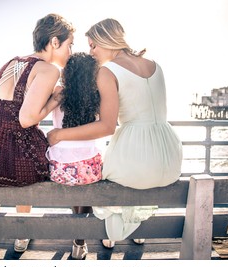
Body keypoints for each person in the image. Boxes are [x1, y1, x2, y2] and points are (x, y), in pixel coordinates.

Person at [47, 18, 182, 248]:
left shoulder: (107, 72)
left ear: (106, 41)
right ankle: (138, 226)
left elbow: (107, 127)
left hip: (137, 155)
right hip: (170, 156)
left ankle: (114, 231)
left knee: (100, 174)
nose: (90, 52)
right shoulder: (155, 65)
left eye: (93, 45)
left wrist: (59, 135)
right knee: (131, 171)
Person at [0, 13, 75, 253]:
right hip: (19, 158)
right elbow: (26, 119)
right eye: (69, 44)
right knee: (36, 154)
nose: (70, 52)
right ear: (54, 42)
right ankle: (23, 233)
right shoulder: (48, 70)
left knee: (16, 148)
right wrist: (55, 99)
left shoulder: (11, 62)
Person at [46, 52, 102, 259]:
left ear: (68, 73)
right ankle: (80, 240)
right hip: (88, 170)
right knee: (87, 168)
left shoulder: (60, 92)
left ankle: (78, 236)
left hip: (60, 171)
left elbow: (40, 112)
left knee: (74, 168)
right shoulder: (96, 96)